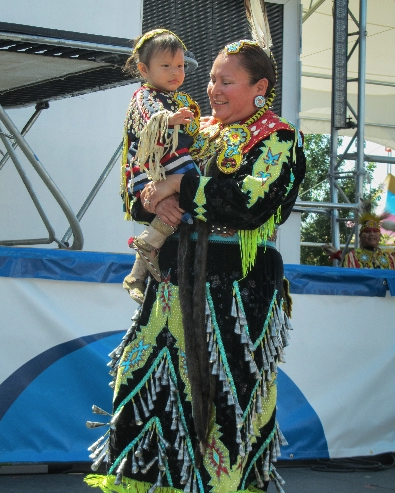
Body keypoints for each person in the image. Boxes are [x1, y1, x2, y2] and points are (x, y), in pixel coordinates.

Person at [85, 37, 306, 493]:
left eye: (227, 82)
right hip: (172, 282)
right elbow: (137, 186)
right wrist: (154, 198)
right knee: (146, 389)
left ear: (260, 87)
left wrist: (179, 188)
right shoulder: (195, 128)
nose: (213, 89)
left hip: (236, 292)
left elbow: (249, 204)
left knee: (223, 400)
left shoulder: (278, 137)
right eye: (212, 79)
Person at [121, 29, 201, 304]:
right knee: (194, 185)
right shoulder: (144, 96)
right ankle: (139, 267)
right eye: (166, 66)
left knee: (177, 207)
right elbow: (151, 117)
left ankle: (137, 272)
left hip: (169, 161)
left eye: (180, 66)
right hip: (153, 165)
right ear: (144, 69)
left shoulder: (179, 99)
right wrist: (170, 119)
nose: (175, 72)